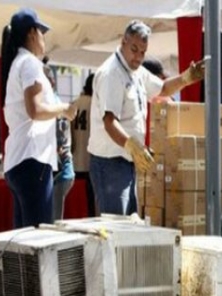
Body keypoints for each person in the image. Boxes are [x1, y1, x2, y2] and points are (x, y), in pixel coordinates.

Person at [87, 20, 205, 216]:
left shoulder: (137, 72)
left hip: (127, 160)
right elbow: (109, 121)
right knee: (116, 224)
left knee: (128, 223)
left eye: (143, 52)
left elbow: (163, 88)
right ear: (123, 42)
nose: (138, 57)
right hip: (110, 162)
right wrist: (132, 145)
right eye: (134, 49)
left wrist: (186, 78)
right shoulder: (112, 74)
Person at [1, 8, 77, 228]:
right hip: (32, 159)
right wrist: (63, 109)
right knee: (37, 236)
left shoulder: (17, 63)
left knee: (24, 237)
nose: (44, 39)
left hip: (18, 160)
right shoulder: (30, 63)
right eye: (42, 32)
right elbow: (34, 110)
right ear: (33, 33)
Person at [43, 60, 74, 221]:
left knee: (54, 222)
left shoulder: (53, 104)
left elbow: (59, 141)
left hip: (60, 172)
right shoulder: (55, 102)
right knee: (53, 219)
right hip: (62, 171)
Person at [71, 73, 97, 216]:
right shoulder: (95, 105)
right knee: (90, 206)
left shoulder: (74, 103)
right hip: (90, 161)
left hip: (75, 162)